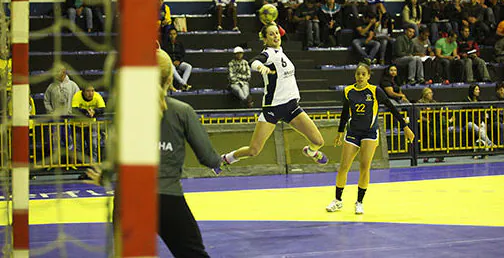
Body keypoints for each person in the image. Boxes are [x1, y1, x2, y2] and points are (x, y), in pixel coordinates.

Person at [87, 49, 222, 257]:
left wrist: (104, 176)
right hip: (167, 198)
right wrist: (223, 159)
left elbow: (114, 157)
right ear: (170, 78)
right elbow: (209, 158)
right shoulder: (182, 111)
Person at [217, 23, 329, 169]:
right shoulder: (268, 54)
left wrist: (274, 24)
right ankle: (225, 159)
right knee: (253, 150)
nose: (276, 36)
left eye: (277, 33)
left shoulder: (281, 52)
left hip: (292, 107)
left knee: (318, 142)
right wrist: (260, 67)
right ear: (264, 39)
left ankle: (310, 152)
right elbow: (253, 61)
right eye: (271, 34)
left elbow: (282, 33)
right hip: (273, 108)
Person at [326, 63, 415, 214]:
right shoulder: (348, 91)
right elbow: (345, 112)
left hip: (369, 133)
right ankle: (338, 200)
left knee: (364, 167)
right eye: (358, 74)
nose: (360, 77)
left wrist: (404, 126)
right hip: (353, 132)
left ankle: (359, 202)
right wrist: (340, 132)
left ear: (368, 76)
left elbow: (391, 107)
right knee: (343, 167)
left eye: (363, 74)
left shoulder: (375, 91)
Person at [72, 84, 106, 163]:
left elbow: (103, 108)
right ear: (83, 92)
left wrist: (95, 111)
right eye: (88, 91)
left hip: (91, 125)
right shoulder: (77, 96)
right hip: (77, 125)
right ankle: (80, 164)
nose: (90, 93)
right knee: (78, 146)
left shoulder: (97, 96)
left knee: (93, 145)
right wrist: (86, 112)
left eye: (92, 91)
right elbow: (74, 109)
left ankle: (93, 163)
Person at [418, 87, 446, 163]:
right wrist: (426, 120)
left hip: (434, 123)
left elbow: (439, 112)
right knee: (428, 133)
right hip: (424, 123)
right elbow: (418, 115)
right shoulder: (420, 103)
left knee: (438, 134)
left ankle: (439, 155)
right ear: (425, 94)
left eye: (431, 93)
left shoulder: (434, 102)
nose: (431, 94)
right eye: (429, 93)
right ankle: (427, 154)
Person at [464, 84, 491, 159]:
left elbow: (482, 113)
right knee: (476, 127)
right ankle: (489, 143)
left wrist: (481, 121)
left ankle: (484, 150)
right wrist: (477, 122)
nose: (478, 91)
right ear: (472, 91)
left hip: (478, 122)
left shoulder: (479, 101)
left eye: (478, 89)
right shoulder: (466, 100)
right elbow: (467, 115)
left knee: (482, 127)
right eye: (476, 89)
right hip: (468, 122)